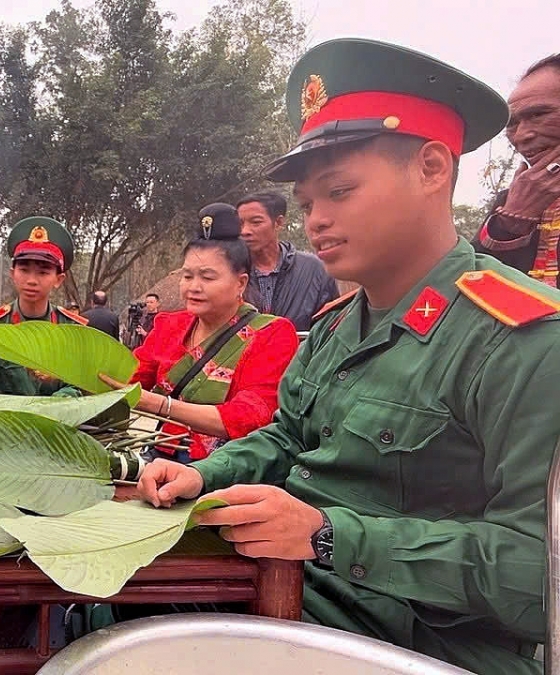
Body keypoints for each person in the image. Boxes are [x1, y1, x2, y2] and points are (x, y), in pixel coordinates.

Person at [137, 38, 557, 675]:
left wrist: (328, 536)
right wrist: (208, 475)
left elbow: (542, 573)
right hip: (295, 595)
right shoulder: (336, 327)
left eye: (340, 191)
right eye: (307, 205)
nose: (317, 222)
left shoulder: (523, 338)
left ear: (432, 168)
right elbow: (287, 435)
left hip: (420, 644)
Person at [100, 204, 298, 463]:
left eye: (207, 277)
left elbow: (250, 417)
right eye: (187, 276)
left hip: (227, 466)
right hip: (160, 452)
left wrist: (161, 406)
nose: (193, 287)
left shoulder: (273, 334)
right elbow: (128, 376)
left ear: (241, 282)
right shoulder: (169, 326)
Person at [0, 216, 88, 395]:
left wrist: (61, 400)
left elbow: (80, 384)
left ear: (59, 279)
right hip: (4, 422)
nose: (31, 280)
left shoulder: (73, 329)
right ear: (12, 274)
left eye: (43, 272)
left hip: (59, 421)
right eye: (24, 270)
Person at [474, 53, 560, 284]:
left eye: (538, 115)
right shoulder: (509, 202)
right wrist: (512, 222)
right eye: (512, 124)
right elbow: (471, 289)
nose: (521, 136)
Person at [237, 191, 339, 330]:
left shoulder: (314, 269)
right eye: (240, 224)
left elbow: (330, 325)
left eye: (256, 222)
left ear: (278, 222)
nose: (245, 231)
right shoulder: (233, 271)